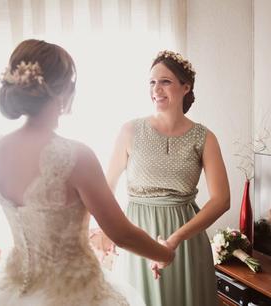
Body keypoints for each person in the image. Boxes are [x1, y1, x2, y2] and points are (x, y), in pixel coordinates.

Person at [0, 39, 174, 306]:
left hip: (11, 291)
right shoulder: (74, 156)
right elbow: (121, 233)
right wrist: (164, 253)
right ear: (62, 90)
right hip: (74, 294)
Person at [104, 50, 230, 306]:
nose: (156, 89)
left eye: (165, 81)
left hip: (186, 240)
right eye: (152, 82)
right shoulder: (130, 131)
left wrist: (176, 239)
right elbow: (106, 188)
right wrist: (111, 232)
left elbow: (221, 200)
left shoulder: (204, 138)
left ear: (186, 87)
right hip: (137, 238)